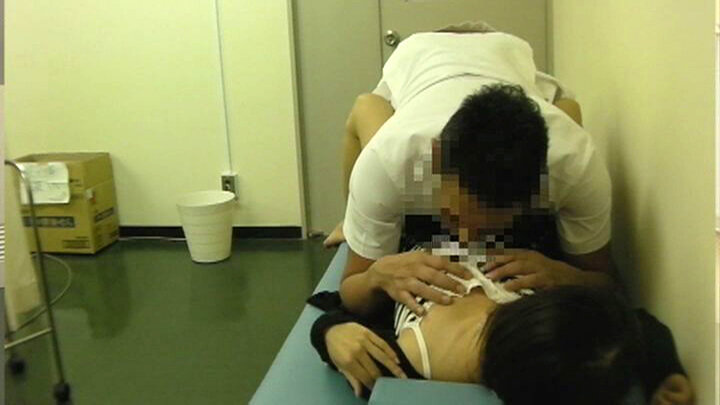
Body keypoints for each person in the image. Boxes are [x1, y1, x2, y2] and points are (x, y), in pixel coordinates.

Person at [324, 30, 618, 322]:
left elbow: (605, 282)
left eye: (488, 231)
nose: (465, 244)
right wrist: (376, 276)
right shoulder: (389, 161)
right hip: (422, 57)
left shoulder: (575, 165)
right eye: (453, 218)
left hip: (505, 54)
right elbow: (351, 290)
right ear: (436, 157)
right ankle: (348, 221)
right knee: (367, 107)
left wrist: (567, 276)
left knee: (570, 109)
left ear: (539, 187)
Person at [309, 284, 694, 404]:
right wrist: (328, 332)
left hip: (430, 245)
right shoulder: (550, 315)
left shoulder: (396, 361)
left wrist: (329, 332)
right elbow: (639, 321)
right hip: (444, 246)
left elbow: (640, 326)